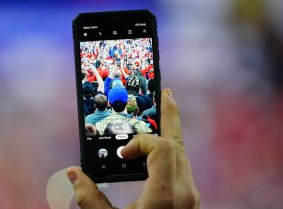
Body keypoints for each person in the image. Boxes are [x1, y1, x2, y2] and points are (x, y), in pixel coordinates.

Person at [66, 89, 201, 209]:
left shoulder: (96, 126)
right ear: (127, 103)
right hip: (143, 168)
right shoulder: (141, 124)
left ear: (110, 104)